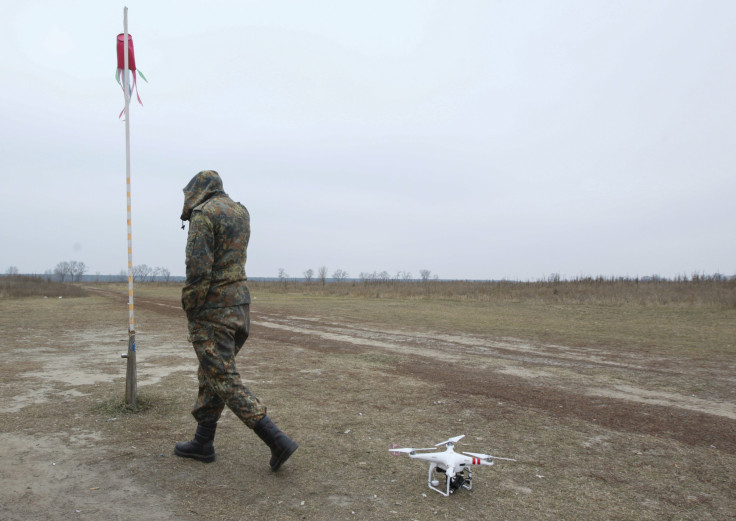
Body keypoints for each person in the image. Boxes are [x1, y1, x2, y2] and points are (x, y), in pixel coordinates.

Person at [174, 170, 297, 470]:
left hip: (214, 311)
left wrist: (190, 305)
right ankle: (203, 441)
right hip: (240, 306)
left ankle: (277, 440)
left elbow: (199, 269)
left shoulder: (203, 214)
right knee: (212, 373)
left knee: (222, 377)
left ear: (196, 191)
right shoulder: (240, 211)